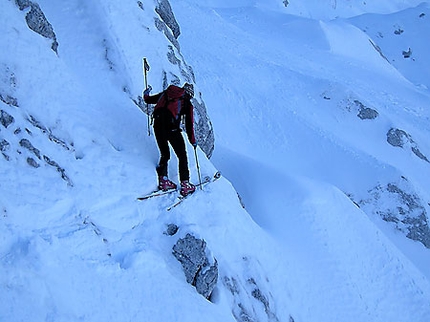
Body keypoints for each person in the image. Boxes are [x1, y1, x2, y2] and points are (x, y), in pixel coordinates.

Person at [143, 82, 197, 196]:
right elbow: (189, 124)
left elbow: (148, 100)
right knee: (182, 155)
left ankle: (163, 180)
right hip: (172, 130)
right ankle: (185, 184)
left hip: (157, 126)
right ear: (190, 94)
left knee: (165, 154)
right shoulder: (186, 102)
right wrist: (193, 141)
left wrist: (146, 94)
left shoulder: (166, 94)